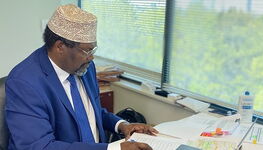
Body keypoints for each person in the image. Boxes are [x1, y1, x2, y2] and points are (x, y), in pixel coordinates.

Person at [5, 4, 158, 150]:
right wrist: (113, 148)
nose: (91, 58)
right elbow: (38, 146)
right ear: (60, 47)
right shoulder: (24, 82)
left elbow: (92, 112)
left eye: (93, 50)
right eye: (87, 51)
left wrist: (122, 125)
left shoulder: (83, 67)